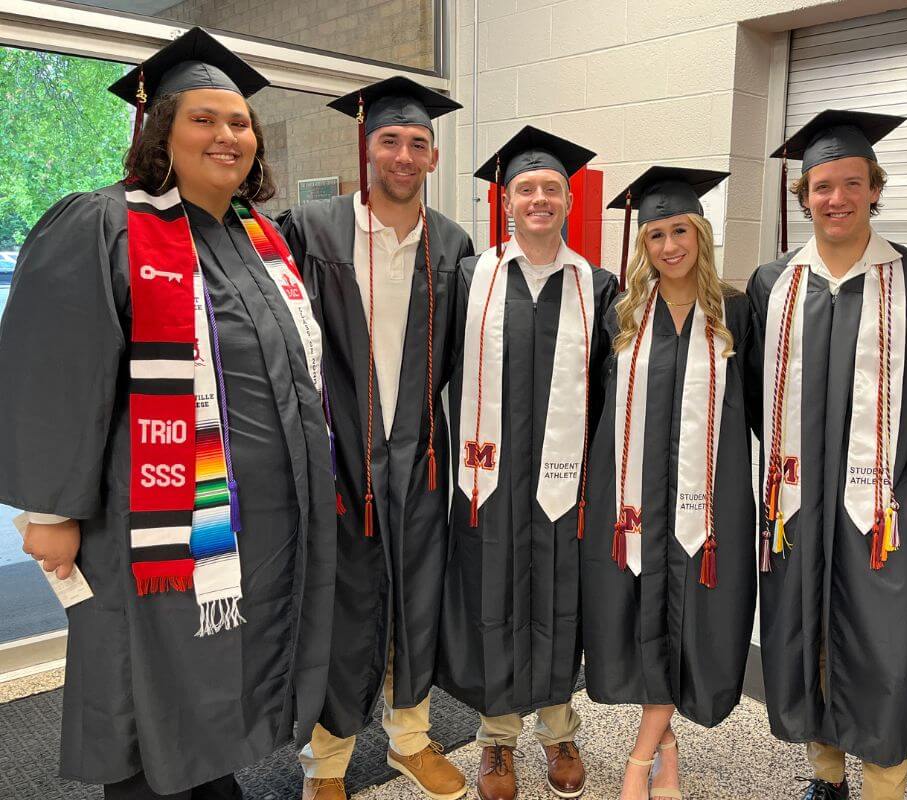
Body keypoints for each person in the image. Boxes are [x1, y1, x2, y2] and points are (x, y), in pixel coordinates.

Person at [0, 27, 336, 799]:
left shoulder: (259, 241)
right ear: (160, 130)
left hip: (250, 526)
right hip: (150, 519)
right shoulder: (104, 224)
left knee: (213, 671)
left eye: (240, 122)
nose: (227, 135)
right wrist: (50, 508)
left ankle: (207, 778)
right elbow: (54, 374)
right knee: (148, 671)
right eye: (203, 119)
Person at [279, 76, 473, 800]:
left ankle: (410, 741)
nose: (403, 153)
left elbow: (463, 357)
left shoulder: (453, 244)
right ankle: (324, 763)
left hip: (418, 454)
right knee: (343, 602)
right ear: (367, 147)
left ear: (432, 156)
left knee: (416, 597)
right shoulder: (313, 229)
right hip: (339, 455)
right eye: (390, 139)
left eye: (417, 143)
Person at [747, 110, 907, 800]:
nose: (836, 198)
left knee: (881, 643)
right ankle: (825, 777)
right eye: (821, 186)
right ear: (803, 197)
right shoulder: (774, 285)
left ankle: (885, 783)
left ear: (874, 189)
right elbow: (755, 402)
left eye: (851, 183)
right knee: (803, 636)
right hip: (797, 506)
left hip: (883, 506)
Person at [439, 125, 617, 800]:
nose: (538, 199)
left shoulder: (596, 285)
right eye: (525, 189)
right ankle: (497, 740)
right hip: (488, 479)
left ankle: (558, 727)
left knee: (560, 601)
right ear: (505, 201)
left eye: (550, 189)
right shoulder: (471, 278)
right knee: (496, 600)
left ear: (568, 200)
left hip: (563, 483)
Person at [581, 167, 759, 800]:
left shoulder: (737, 310)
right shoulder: (623, 313)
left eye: (679, 230)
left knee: (692, 623)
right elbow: (599, 403)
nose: (668, 246)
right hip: (631, 495)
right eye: (654, 235)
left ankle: (639, 759)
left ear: (700, 233)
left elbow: (764, 403)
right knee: (641, 617)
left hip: (709, 498)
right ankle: (665, 754)